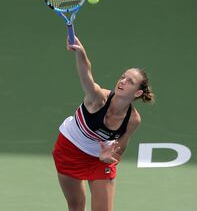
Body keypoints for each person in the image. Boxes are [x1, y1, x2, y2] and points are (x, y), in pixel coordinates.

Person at [52, 36, 154, 211]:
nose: (122, 81)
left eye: (130, 81)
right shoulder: (98, 99)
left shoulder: (133, 119)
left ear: (137, 93)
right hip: (69, 149)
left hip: (99, 159)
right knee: (76, 206)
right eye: (123, 77)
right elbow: (86, 76)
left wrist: (111, 156)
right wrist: (81, 53)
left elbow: (121, 147)